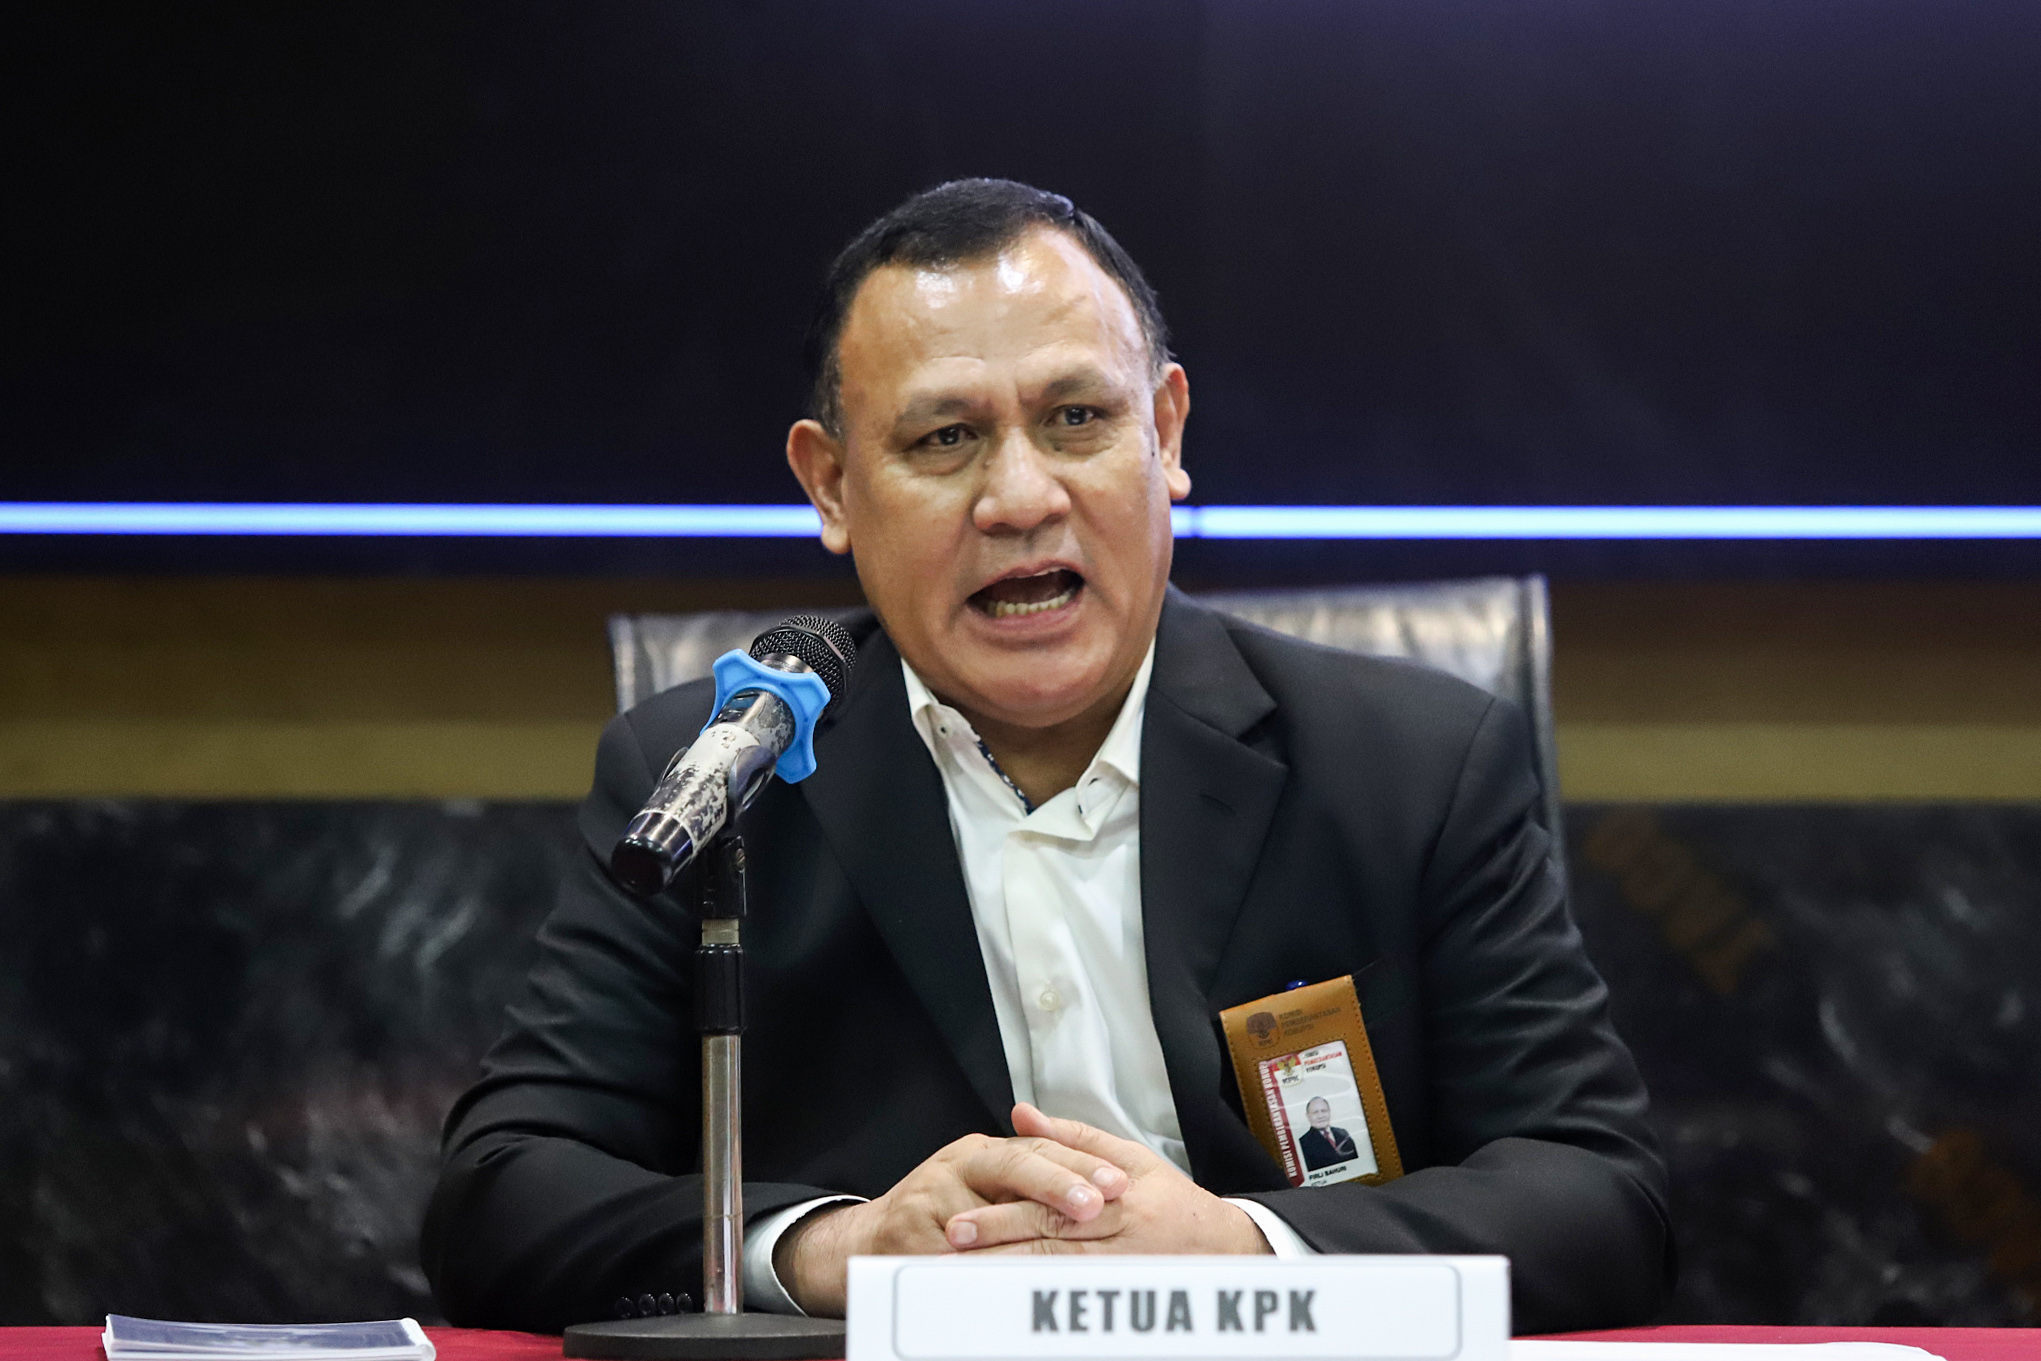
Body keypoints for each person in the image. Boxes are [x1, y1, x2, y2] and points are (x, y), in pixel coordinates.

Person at [421, 179, 1670, 1334]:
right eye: (943, 439)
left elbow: (1600, 1195)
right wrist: (831, 1248)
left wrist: (1243, 1248)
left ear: (1164, 433)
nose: (1019, 497)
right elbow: (501, 1190)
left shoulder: (1409, 764)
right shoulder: (717, 776)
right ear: (833, 486)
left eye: (1076, 419)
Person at [1296, 1098, 1360, 1173]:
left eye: (1324, 1111)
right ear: (1308, 1116)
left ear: (1329, 1112)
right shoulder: (1303, 1143)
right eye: (1315, 1112)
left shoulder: (1343, 1133)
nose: (1320, 1116)